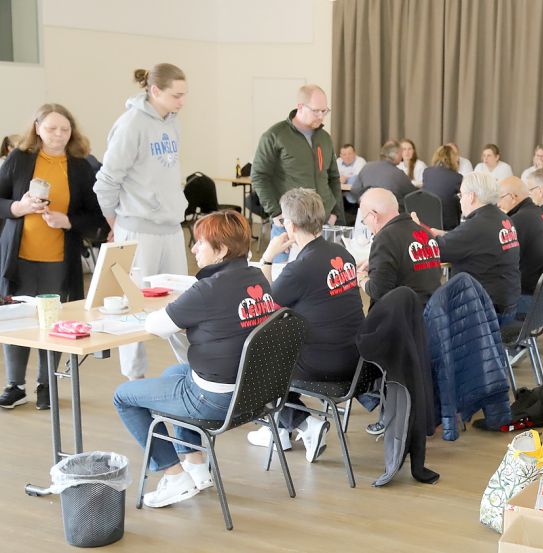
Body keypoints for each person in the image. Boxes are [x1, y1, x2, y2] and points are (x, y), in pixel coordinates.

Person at [114, 210, 278, 508]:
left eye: (199, 243)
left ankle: (174, 475)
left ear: (222, 250)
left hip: (216, 400)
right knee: (174, 373)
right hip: (254, 392)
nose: (193, 249)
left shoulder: (207, 289)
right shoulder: (256, 276)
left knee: (124, 396)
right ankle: (197, 465)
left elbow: (155, 326)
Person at [0, 104, 105, 409]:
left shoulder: (82, 165)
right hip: (18, 257)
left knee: (53, 323)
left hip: (59, 260)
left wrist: (67, 221)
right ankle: (15, 385)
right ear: (36, 128)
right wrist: (18, 208)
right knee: (16, 321)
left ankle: (47, 384)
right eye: (51, 128)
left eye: (65, 129)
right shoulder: (19, 159)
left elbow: (95, 216)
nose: (58, 135)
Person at [247, 189, 363, 462]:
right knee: (279, 348)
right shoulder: (341, 253)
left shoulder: (300, 268)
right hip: (357, 358)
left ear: (290, 224)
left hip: (326, 366)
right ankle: (282, 430)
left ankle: (302, 424)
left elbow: (264, 304)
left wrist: (267, 257)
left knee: (256, 360)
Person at [94, 63, 190, 381]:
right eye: (176, 95)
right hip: (137, 227)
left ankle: (197, 372)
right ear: (155, 91)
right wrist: (114, 222)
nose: (182, 101)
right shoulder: (131, 124)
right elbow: (106, 181)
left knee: (181, 305)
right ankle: (134, 380)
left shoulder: (172, 123)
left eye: (184, 95)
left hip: (170, 227)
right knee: (135, 308)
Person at [252, 83, 344, 263]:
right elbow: (259, 176)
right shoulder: (274, 136)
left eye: (325, 111)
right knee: (281, 278)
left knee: (321, 280)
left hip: (322, 224)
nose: (321, 116)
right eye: (316, 111)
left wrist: (334, 211)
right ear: (300, 107)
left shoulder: (324, 138)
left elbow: (333, 177)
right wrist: (276, 212)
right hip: (290, 224)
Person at [421, 172, 520, 325]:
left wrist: (416, 230)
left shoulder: (477, 225)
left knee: (422, 311)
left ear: (471, 196)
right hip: (507, 303)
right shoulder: (502, 218)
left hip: (485, 311)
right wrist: (446, 234)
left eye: (461, 195)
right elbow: (473, 241)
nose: (460, 202)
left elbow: (436, 251)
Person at [357, 188, 442, 304]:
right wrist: (375, 262)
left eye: (364, 220)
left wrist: (361, 277)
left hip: (403, 315)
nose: (366, 225)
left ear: (373, 216)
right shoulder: (425, 232)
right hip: (432, 312)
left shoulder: (385, 238)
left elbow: (378, 291)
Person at [497, 176, 543, 314]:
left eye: (500, 197)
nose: (498, 204)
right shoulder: (537, 213)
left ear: (512, 197)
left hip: (529, 299)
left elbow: (500, 258)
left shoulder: (519, 220)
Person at [351, 140, 416, 209]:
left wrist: (366, 203)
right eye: (401, 152)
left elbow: (355, 189)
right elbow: (413, 195)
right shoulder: (399, 174)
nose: (402, 156)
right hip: (392, 214)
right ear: (396, 154)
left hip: (367, 213)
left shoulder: (367, 166)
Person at [421, 144, 463, 230]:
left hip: (427, 221)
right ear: (453, 159)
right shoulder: (457, 177)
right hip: (448, 225)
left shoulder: (427, 172)